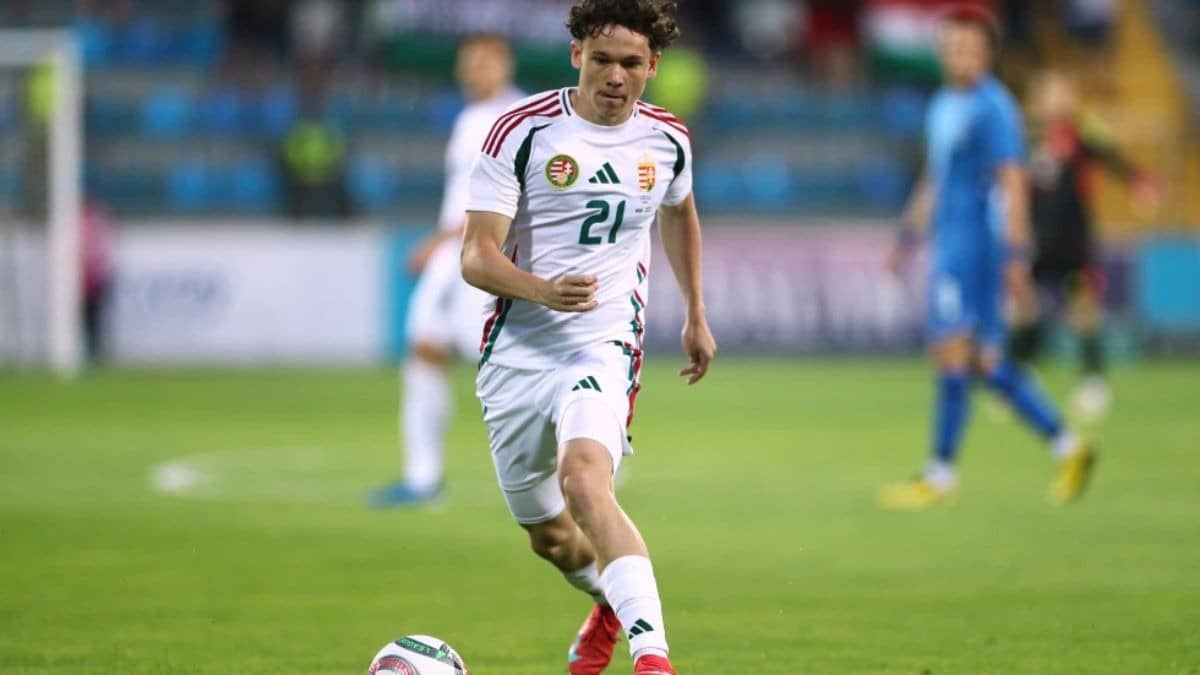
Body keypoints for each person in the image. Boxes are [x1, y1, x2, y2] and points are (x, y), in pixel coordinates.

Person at [460, 2, 715, 673]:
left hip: (603, 343)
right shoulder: (521, 132)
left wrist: (695, 311)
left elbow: (680, 212)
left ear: (652, 66)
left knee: (584, 479)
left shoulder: (667, 140)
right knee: (552, 538)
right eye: (601, 59)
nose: (615, 76)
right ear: (577, 55)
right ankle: (611, 601)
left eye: (631, 63)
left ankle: (652, 657)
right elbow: (476, 256)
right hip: (519, 351)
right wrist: (541, 288)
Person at [879, 7, 1096, 510]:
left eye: (969, 46)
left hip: (974, 248)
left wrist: (1015, 255)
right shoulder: (942, 104)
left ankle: (940, 473)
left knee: (953, 350)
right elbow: (936, 179)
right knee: (977, 359)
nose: (959, 54)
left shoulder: (994, 107)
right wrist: (907, 236)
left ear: (987, 53)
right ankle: (1068, 445)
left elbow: (1013, 180)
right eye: (952, 45)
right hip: (947, 244)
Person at [370, 34, 523, 506]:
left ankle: (583, 454)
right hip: (452, 255)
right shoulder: (469, 118)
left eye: (485, 62)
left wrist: (437, 241)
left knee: (505, 366)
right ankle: (423, 477)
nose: (474, 70)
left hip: (482, 252)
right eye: (468, 63)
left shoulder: (515, 117)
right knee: (425, 350)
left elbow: (505, 196)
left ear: (505, 65)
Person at [1009, 70, 1158, 421]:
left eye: (1063, 92)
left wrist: (1140, 183)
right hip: (1036, 238)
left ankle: (1093, 380)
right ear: (1038, 99)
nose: (1057, 99)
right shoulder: (1026, 138)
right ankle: (1018, 374)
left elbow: (1114, 159)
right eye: (1051, 93)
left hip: (1074, 239)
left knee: (1083, 305)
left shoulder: (1084, 131)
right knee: (1024, 302)